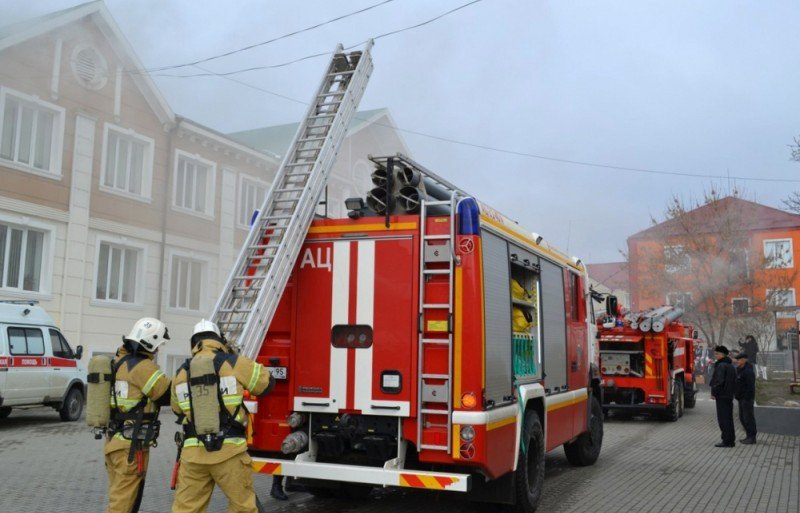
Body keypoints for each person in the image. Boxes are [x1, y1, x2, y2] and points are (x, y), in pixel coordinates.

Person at [171, 319, 273, 513]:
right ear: (218, 339)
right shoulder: (233, 362)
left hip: (193, 454)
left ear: (194, 342)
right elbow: (266, 384)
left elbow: (176, 410)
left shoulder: (181, 371)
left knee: (186, 509)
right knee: (242, 507)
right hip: (229, 452)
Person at [105, 318, 171, 513]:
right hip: (130, 447)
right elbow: (166, 394)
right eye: (158, 346)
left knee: (121, 499)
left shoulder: (118, 362)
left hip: (115, 441)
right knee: (123, 505)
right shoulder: (142, 367)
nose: (157, 350)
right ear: (150, 343)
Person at [709, 345, 736, 447]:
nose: (715, 355)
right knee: (728, 418)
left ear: (722, 354)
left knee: (723, 419)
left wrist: (714, 393)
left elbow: (718, 381)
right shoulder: (730, 365)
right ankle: (730, 440)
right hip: (728, 396)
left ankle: (727, 441)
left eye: (717, 354)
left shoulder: (721, 366)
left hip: (722, 396)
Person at [734, 352, 757, 444]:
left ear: (744, 360)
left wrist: (746, 397)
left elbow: (750, 387)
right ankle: (748, 436)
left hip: (746, 399)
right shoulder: (739, 370)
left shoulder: (748, 371)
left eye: (739, 360)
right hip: (741, 398)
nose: (737, 362)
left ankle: (752, 437)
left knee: (748, 418)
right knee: (742, 418)